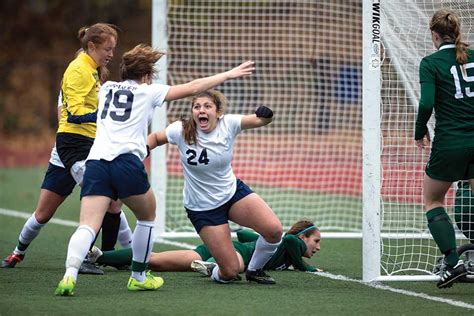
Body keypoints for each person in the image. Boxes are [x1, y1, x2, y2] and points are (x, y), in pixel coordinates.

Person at [54, 44, 256, 296]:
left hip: (95, 162)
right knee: (147, 217)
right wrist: (228, 74)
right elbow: (193, 88)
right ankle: (138, 276)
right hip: (126, 162)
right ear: (147, 76)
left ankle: (69, 275)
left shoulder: (105, 88)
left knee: (87, 225)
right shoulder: (149, 92)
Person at [1, 24, 133, 273]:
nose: (111, 55)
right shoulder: (78, 71)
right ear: (91, 47)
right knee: (49, 212)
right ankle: (20, 253)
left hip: (83, 146)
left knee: (112, 200)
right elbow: (71, 114)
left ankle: (116, 256)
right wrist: (102, 116)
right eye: (108, 49)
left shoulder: (93, 71)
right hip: (72, 147)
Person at [147, 89, 283, 285]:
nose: (201, 110)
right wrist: (141, 150)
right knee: (230, 271)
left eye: (207, 106)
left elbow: (260, 120)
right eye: (197, 107)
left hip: (232, 193)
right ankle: (214, 270)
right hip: (203, 207)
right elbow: (156, 138)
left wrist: (266, 115)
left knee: (274, 231)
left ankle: (254, 270)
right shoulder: (181, 129)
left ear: (218, 113)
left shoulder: (228, 123)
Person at [414, 9, 474, 289]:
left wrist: (419, 131)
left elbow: (426, 103)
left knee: (433, 200)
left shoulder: (431, 62)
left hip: (449, 143)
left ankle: (452, 264)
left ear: (435, 35)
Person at [86, 219, 322, 275]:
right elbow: (291, 242)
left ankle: (100, 256)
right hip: (235, 254)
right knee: (235, 267)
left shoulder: (279, 247)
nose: (318, 247)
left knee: (154, 260)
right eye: (316, 241)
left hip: (211, 249)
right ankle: (214, 269)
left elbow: (245, 233)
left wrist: (238, 229)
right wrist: (310, 269)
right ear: (303, 237)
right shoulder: (289, 241)